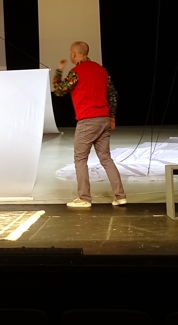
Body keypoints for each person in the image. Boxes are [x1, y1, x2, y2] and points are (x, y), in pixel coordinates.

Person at [52, 41, 126, 208]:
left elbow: (59, 90)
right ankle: (120, 196)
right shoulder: (101, 70)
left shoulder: (76, 72)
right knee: (106, 158)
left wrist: (58, 71)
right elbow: (112, 94)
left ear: (74, 54)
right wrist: (112, 116)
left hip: (88, 121)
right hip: (104, 119)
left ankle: (84, 198)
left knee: (80, 159)